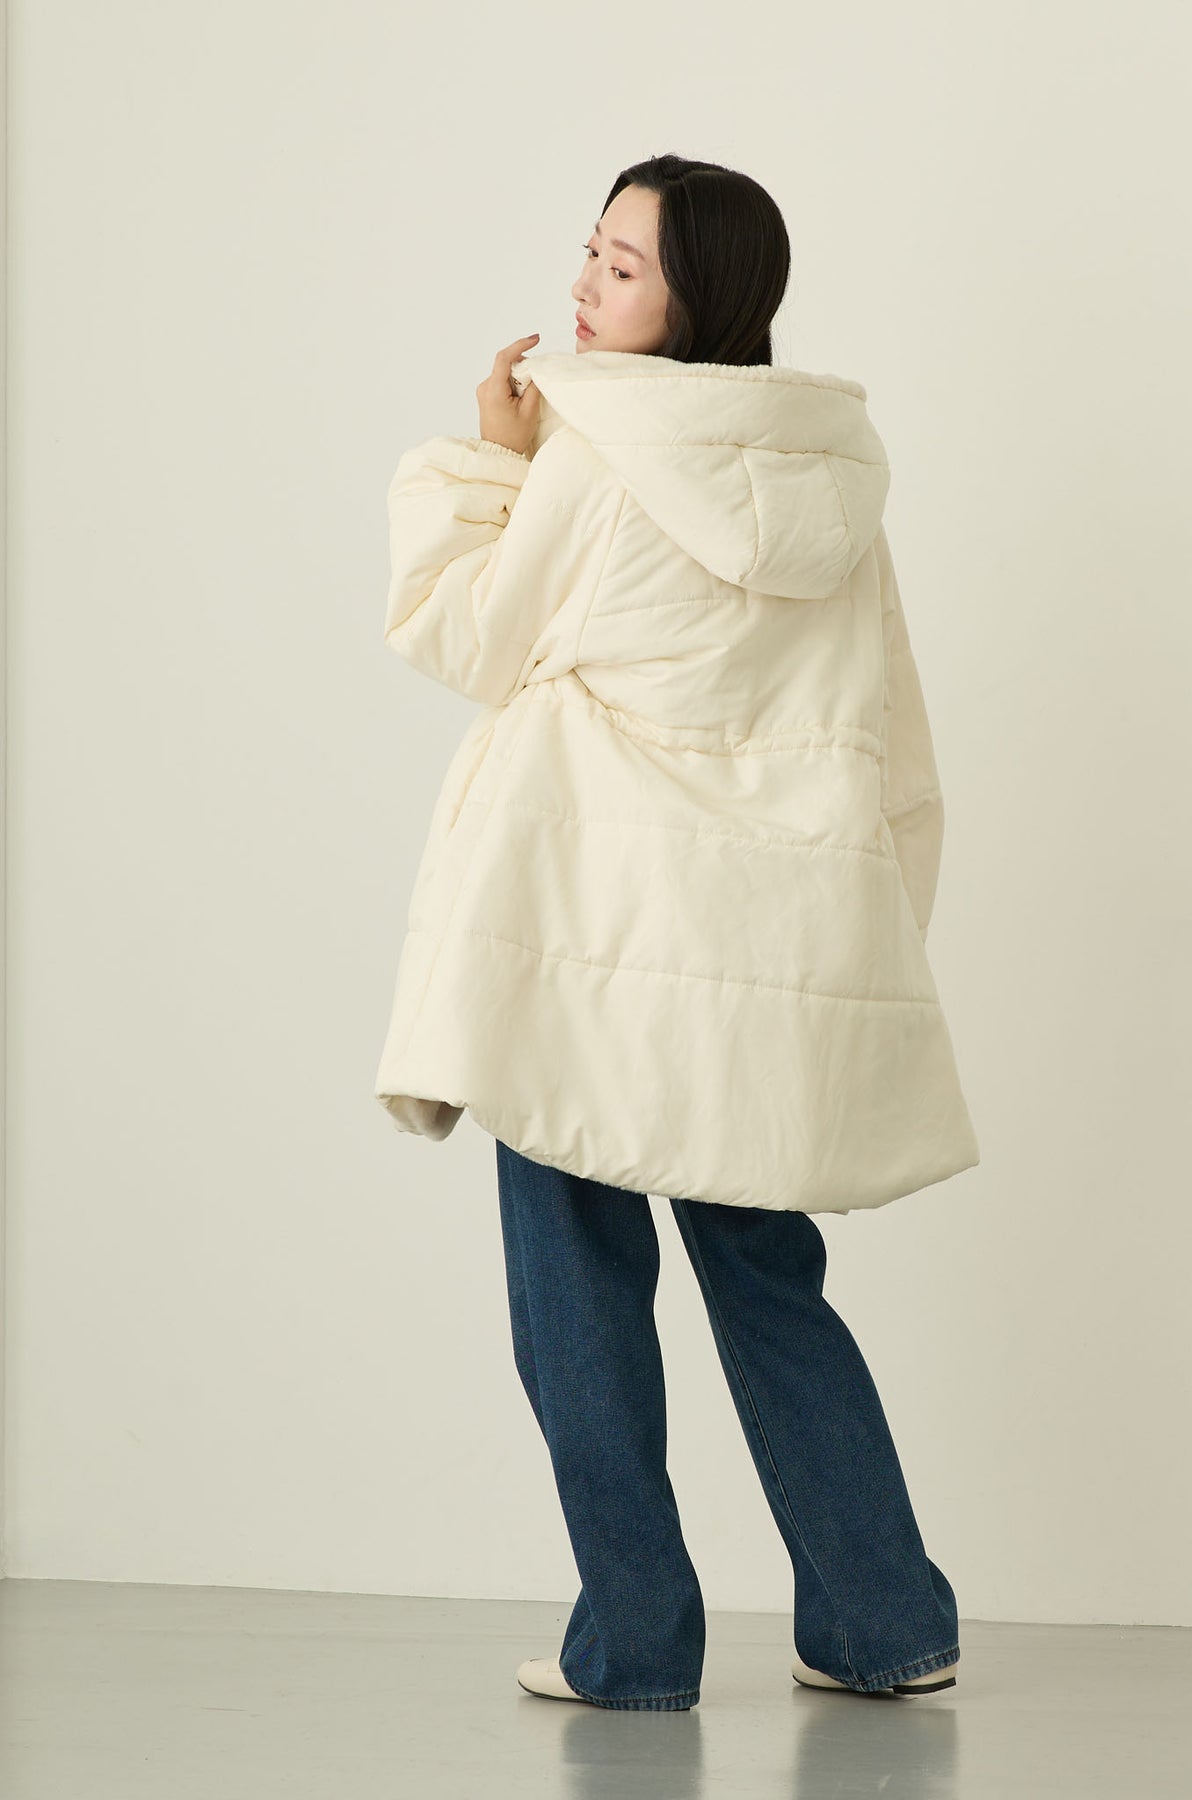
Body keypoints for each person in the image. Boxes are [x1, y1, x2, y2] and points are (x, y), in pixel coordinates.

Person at [373, 153, 979, 1712]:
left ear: (696, 295)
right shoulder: (831, 478)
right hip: (756, 958)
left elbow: (472, 636)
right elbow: (885, 733)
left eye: (623, 265)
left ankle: (637, 1645)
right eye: (589, 249)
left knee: (574, 1284)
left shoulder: (595, 448)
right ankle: (883, 1622)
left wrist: (490, 460)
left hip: (579, 936)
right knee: (769, 1282)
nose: (584, 284)